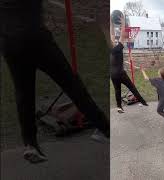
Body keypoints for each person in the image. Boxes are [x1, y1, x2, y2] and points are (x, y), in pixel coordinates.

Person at [1, 0, 109, 163]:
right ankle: (104, 128)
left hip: (10, 42)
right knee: (72, 84)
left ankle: (30, 143)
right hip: (36, 39)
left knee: (23, 93)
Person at [110, 12, 148, 113]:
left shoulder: (110, 49)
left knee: (117, 90)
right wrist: (123, 23)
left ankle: (119, 107)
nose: (114, 40)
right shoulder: (118, 48)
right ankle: (143, 101)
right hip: (120, 73)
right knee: (132, 87)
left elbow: (112, 34)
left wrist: (111, 23)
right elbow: (122, 34)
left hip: (112, 74)